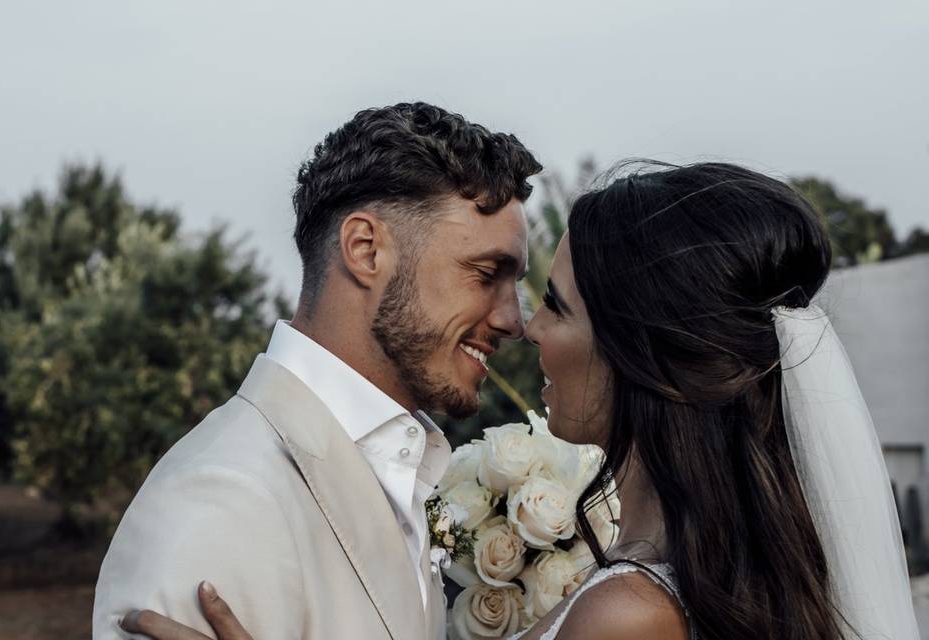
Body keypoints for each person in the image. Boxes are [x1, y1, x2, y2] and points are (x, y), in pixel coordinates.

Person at [120, 161, 919, 639]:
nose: (522, 326)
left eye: (555, 305)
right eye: (487, 276)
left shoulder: (632, 614)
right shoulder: (218, 502)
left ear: (643, 353)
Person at [92, 102, 542, 640]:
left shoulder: (399, 470)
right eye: (488, 273)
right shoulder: (224, 502)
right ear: (365, 249)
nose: (513, 320)